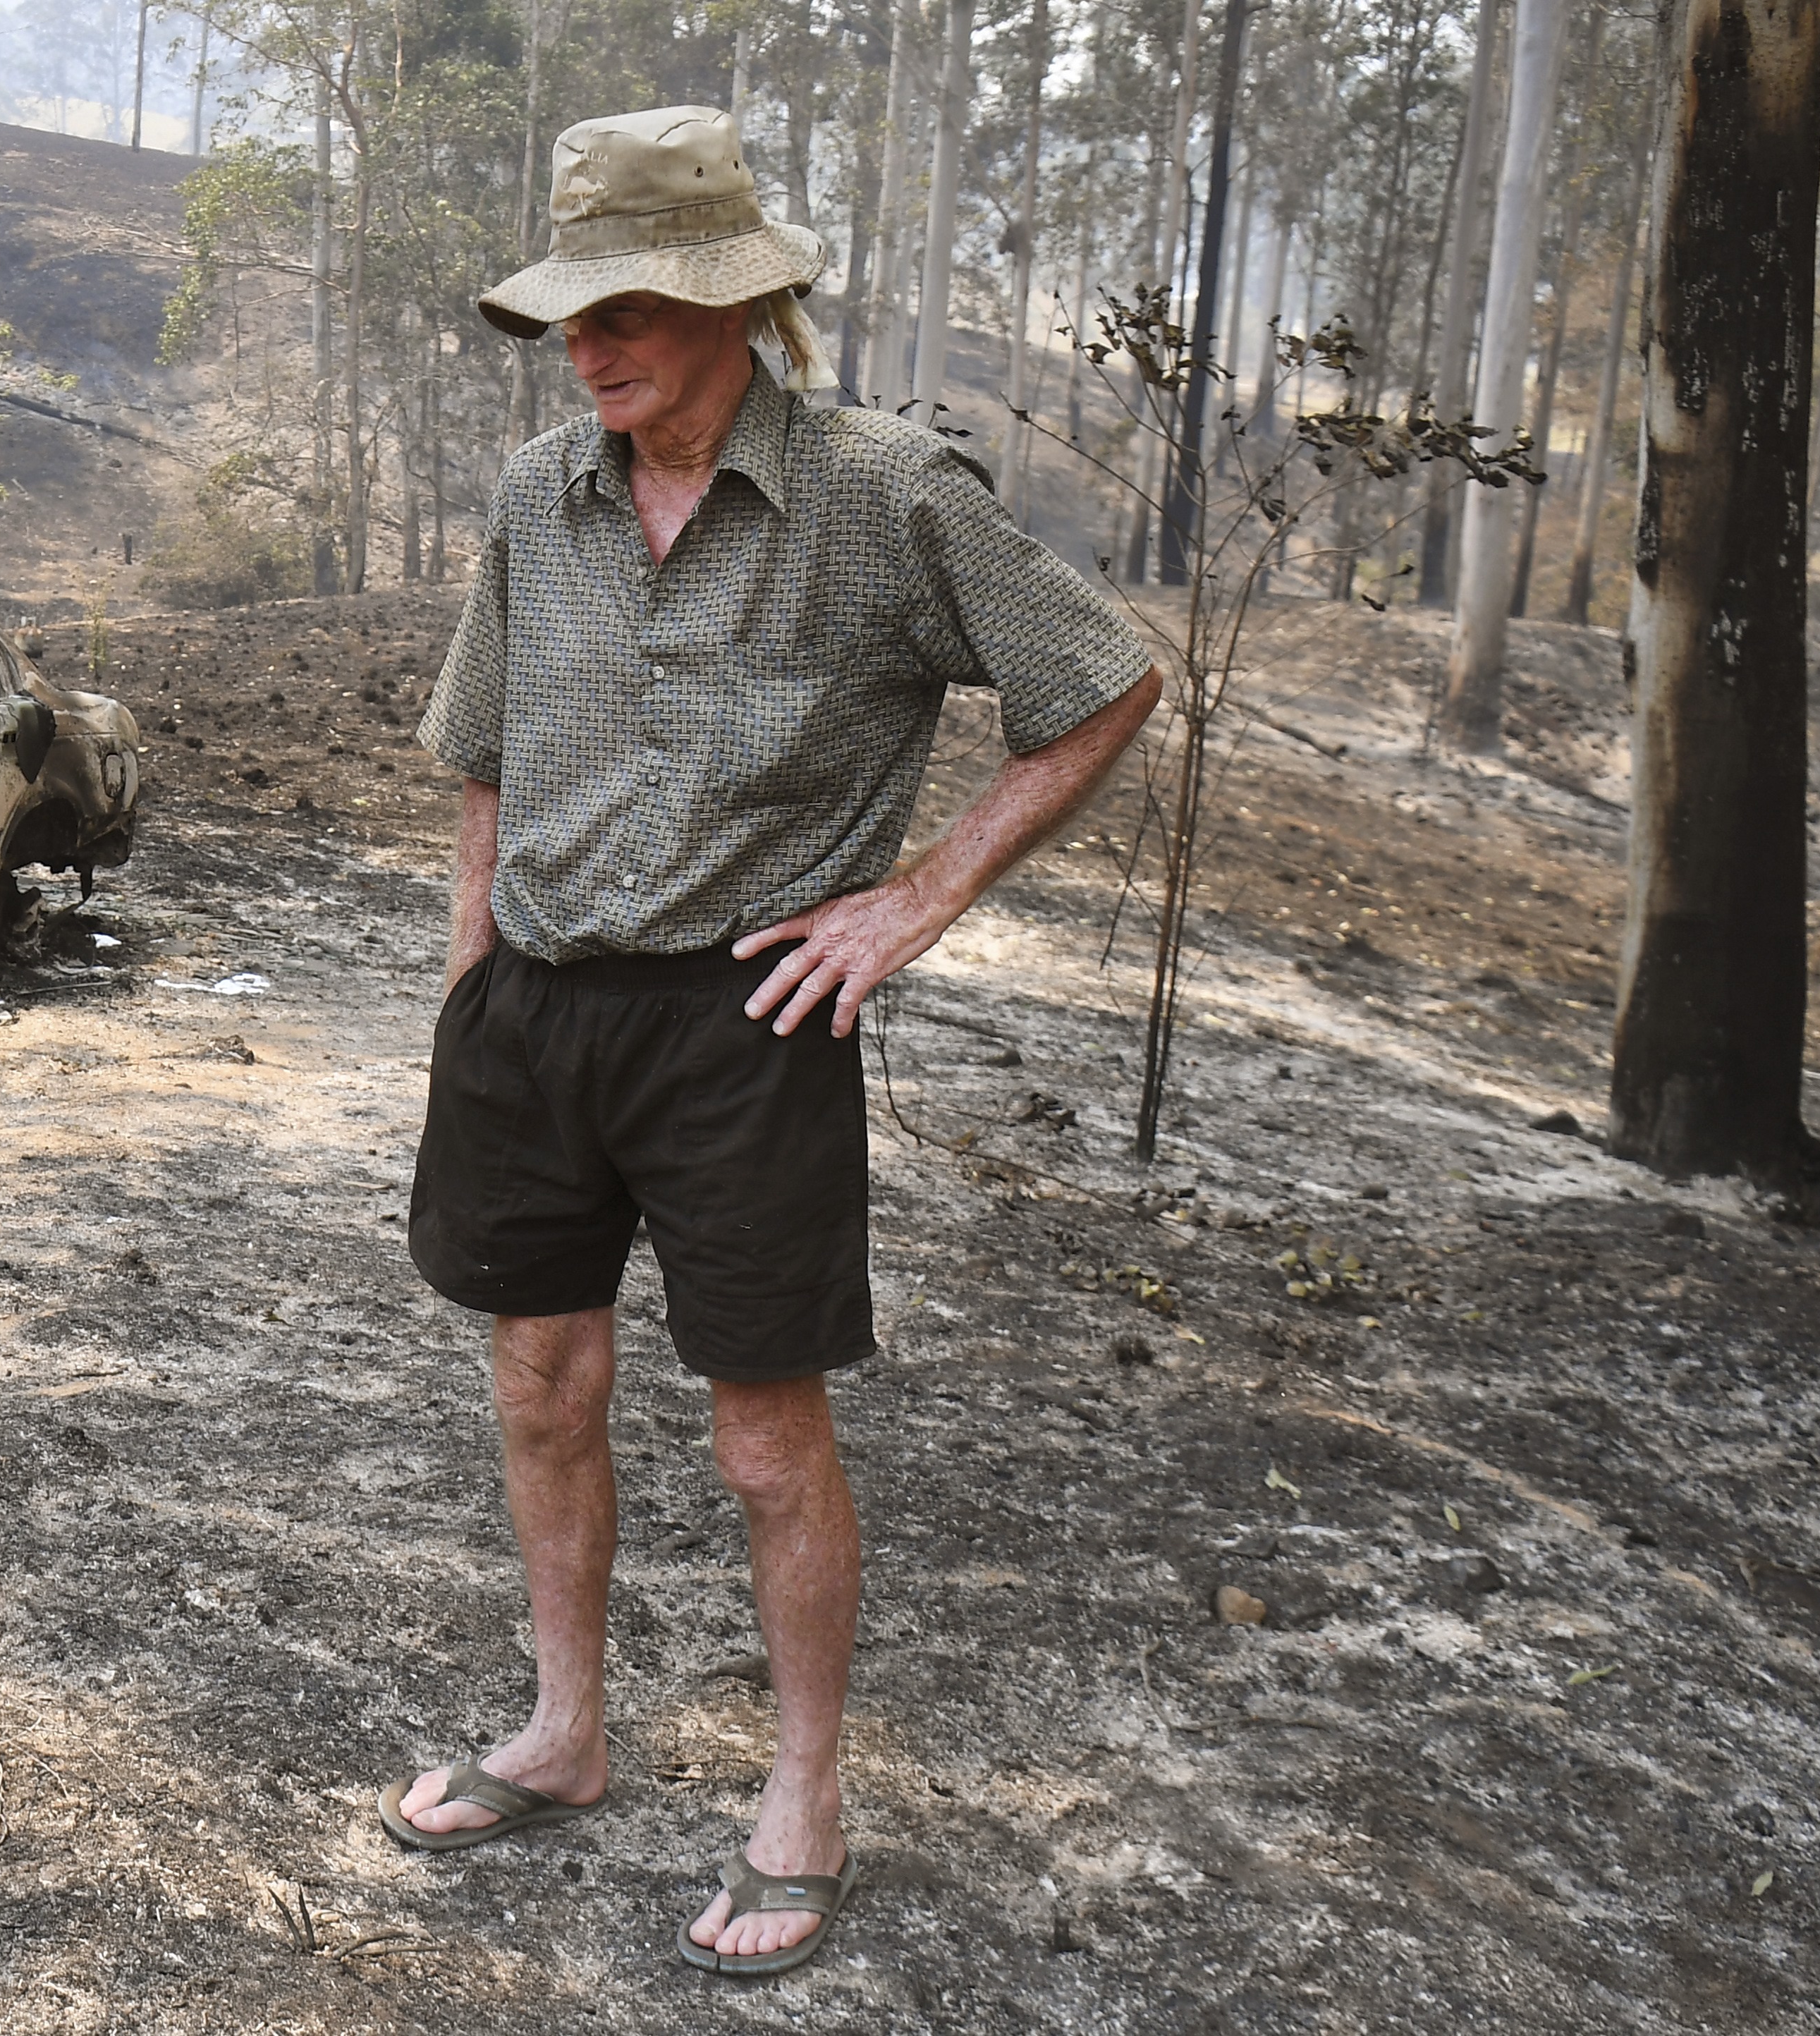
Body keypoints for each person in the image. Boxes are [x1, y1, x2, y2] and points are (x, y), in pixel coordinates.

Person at [377, 104, 1162, 1980]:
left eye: (629, 307)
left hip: (746, 1018)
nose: (591, 348)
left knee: (761, 1442)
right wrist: (474, 963)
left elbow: (1101, 680)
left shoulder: (887, 494)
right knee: (542, 1389)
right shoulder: (532, 500)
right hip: (535, 1016)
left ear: (738, 305)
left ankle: (801, 1798)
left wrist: (918, 901)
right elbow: (480, 748)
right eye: (572, 315)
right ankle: (563, 1733)